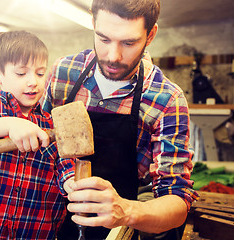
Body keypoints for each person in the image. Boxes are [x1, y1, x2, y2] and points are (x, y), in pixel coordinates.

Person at [41, 0, 200, 239]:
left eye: (129, 42)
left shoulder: (167, 99)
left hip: (118, 231)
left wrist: (126, 211)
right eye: (104, 39)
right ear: (93, 23)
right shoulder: (64, 72)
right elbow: (42, 142)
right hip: (51, 223)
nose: (113, 56)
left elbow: (176, 201)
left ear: (150, 35)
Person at [0, 31, 75, 240]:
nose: (32, 82)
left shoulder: (51, 123)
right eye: (21, 73)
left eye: (39, 73)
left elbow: (64, 165)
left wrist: (71, 183)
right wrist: (11, 124)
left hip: (39, 229)